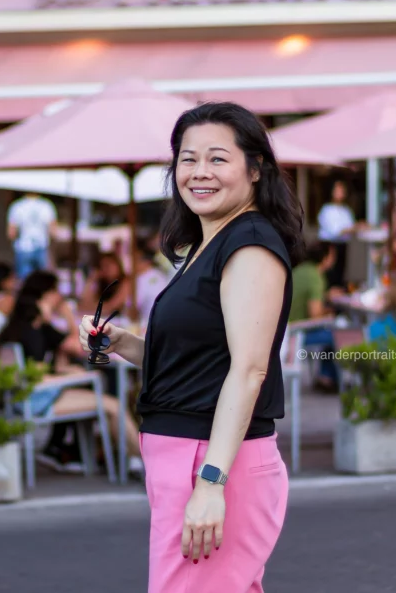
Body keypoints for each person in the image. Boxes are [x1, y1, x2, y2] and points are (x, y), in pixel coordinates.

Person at [80, 102, 300, 592]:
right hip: (186, 459)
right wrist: (125, 343)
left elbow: (248, 370)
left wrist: (211, 481)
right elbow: (201, 360)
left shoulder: (249, 245)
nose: (200, 172)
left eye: (218, 158)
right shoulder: (209, 244)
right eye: (188, 158)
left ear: (255, 168)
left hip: (212, 461)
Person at [0, 270, 140, 474]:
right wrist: (76, 376)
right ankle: (142, 459)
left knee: (97, 390)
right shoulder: (34, 331)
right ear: (46, 296)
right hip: (37, 400)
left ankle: (115, 455)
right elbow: (39, 376)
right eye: (56, 292)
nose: (60, 297)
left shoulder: (18, 326)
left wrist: (67, 373)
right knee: (113, 404)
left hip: (18, 397)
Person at [288, 241, 341, 392]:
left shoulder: (300, 270)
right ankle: (328, 378)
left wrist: (326, 296)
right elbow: (315, 315)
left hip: (287, 329)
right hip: (296, 334)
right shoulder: (316, 277)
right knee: (336, 336)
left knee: (330, 333)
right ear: (325, 257)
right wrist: (329, 313)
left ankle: (325, 376)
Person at [7, 192, 58, 279]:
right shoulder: (46, 205)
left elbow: (11, 233)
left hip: (23, 247)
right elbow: (53, 232)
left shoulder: (17, 206)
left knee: (25, 281)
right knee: (42, 280)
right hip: (42, 246)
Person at [316, 180, 356, 289]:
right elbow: (335, 231)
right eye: (338, 189)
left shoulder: (346, 210)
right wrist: (352, 228)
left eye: (342, 190)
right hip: (329, 246)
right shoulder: (326, 210)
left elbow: (350, 229)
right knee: (328, 274)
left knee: (340, 274)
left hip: (342, 245)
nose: (340, 192)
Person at [78, 252, 132, 320]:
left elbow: (111, 307)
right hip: (102, 320)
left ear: (117, 265)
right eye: (102, 266)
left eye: (108, 265)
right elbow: (82, 304)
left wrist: (91, 307)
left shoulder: (125, 282)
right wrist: (91, 280)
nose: (105, 269)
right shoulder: (102, 283)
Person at [134, 245, 169, 331]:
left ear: (147, 261)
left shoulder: (143, 278)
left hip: (150, 324)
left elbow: (133, 307)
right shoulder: (159, 273)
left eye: (136, 260)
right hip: (161, 321)